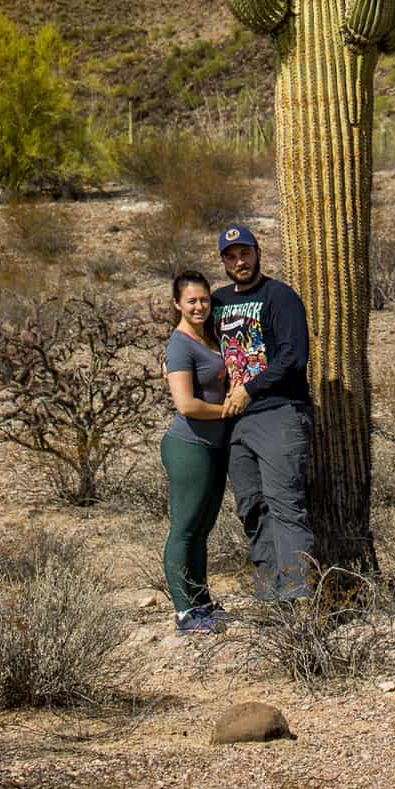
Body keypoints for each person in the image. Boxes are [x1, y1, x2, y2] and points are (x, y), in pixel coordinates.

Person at [212, 225, 315, 601]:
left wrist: (249, 389)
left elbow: (293, 356)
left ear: (258, 253)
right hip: (236, 422)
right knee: (252, 507)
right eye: (231, 256)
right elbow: (198, 341)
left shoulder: (279, 296)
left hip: (278, 413)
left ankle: (299, 598)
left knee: (285, 505)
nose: (239, 261)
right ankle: (272, 600)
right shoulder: (218, 301)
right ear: (224, 261)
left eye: (245, 253)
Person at [161, 268, 232, 635]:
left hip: (215, 446)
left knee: (203, 529)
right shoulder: (179, 346)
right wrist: (228, 410)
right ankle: (184, 611)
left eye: (204, 299)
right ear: (177, 304)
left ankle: (202, 603)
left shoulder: (210, 338)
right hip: (189, 445)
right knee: (185, 529)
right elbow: (186, 405)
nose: (199, 306)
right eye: (191, 301)